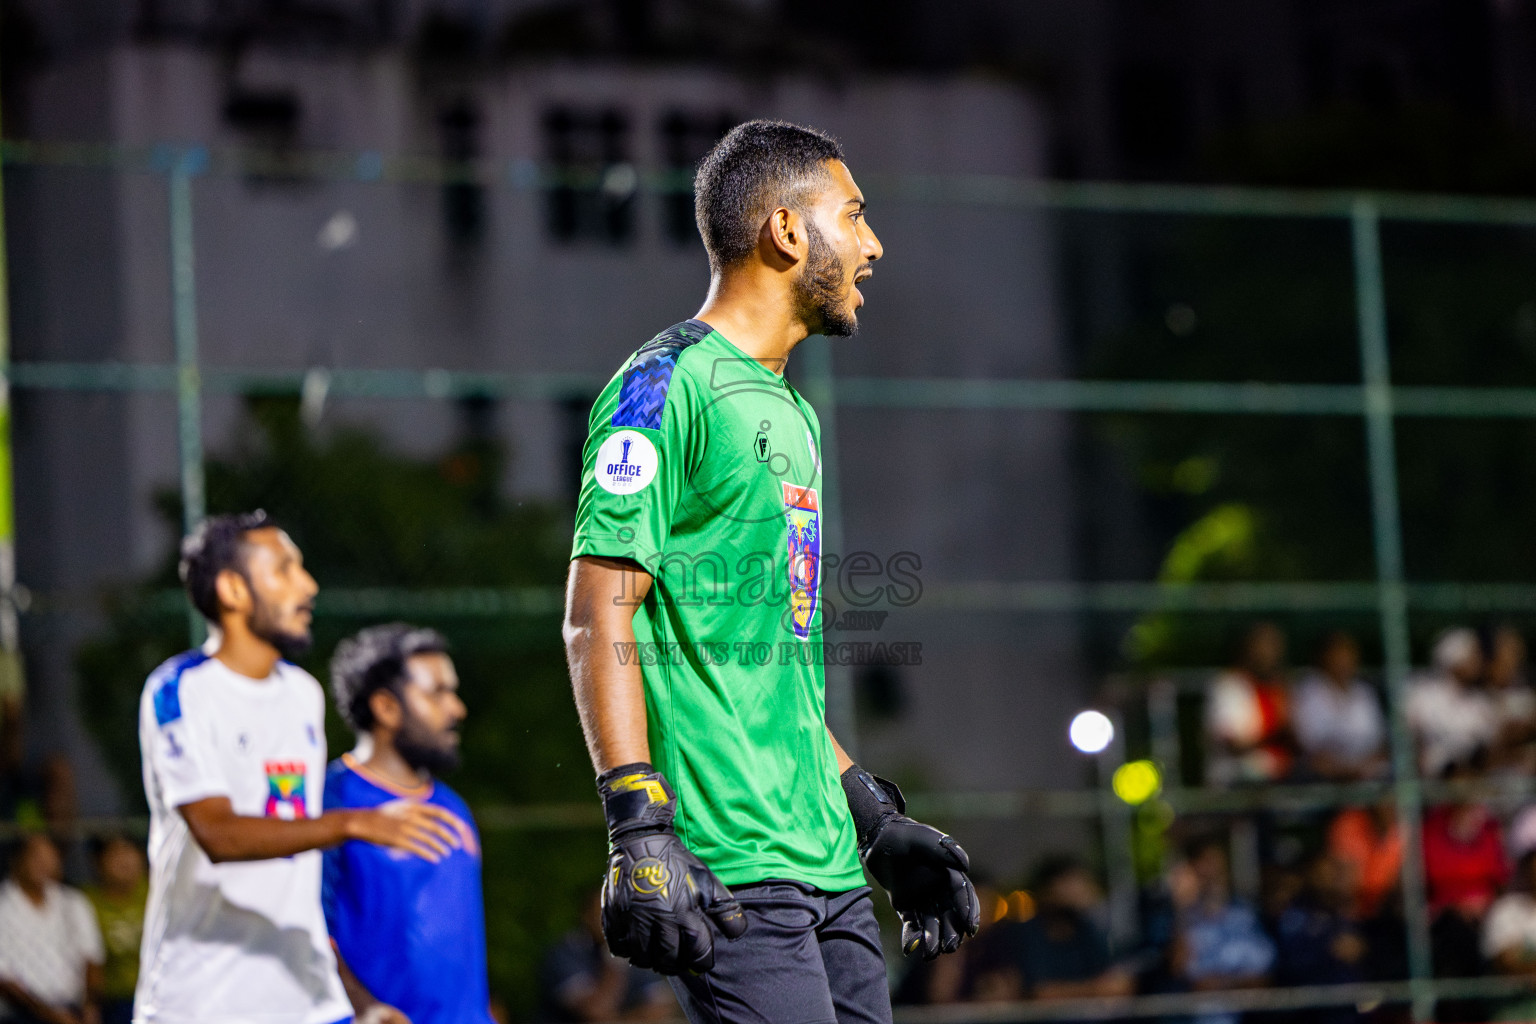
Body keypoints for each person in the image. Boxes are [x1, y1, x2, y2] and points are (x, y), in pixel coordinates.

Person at [562, 120, 979, 1024]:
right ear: (787, 232)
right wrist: (637, 822)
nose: (873, 244)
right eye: (855, 216)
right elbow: (600, 612)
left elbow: (767, 669)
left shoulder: (795, 412)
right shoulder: (664, 383)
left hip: (829, 865)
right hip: (736, 865)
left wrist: (869, 814)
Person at [135, 511, 473, 1024]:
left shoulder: (301, 694)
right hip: (203, 1002)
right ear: (232, 589)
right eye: (285, 570)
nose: (308, 585)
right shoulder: (179, 691)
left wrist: (363, 1006)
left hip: (307, 1002)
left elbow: (295, 861)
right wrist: (357, 823)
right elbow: (217, 834)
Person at [323, 623, 496, 1024]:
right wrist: (364, 1007)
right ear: (386, 707)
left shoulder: (453, 808)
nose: (457, 708)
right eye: (438, 692)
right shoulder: (328, 803)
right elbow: (301, 932)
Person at [979, 857, 1133, 1001]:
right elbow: (1041, 993)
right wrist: (1095, 990)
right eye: (1071, 883)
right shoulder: (1023, 934)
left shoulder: (1088, 930)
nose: (1081, 892)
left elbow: (1118, 985)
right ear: (1048, 890)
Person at [0, 833, 104, 1024]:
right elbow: (4, 979)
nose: (44, 863)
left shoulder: (74, 902)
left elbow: (92, 959)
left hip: (74, 1009)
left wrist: (90, 1007)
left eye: (50, 857)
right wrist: (50, 1015)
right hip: (19, 1014)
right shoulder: (3, 906)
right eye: (36, 857)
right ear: (16, 860)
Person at [537, 890, 675, 1023]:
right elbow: (595, 1011)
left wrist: (621, 1020)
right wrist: (613, 961)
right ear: (586, 917)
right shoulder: (565, 953)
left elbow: (662, 1005)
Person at [1204, 622, 1294, 786]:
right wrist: (1278, 731)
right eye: (1264, 645)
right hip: (1238, 780)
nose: (1270, 653)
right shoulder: (1228, 687)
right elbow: (1233, 745)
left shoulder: (1279, 688)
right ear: (1247, 648)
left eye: (1275, 646)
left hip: (1280, 777)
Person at [1292, 631, 1387, 781]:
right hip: (1324, 774)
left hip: (1366, 771)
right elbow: (1308, 746)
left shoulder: (1364, 692)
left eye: (1348, 653)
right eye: (1337, 654)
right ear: (1323, 657)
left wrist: (1363, 767)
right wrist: (1343, 770)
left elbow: (1379, 742)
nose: (1343, 660)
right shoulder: (1308, 692)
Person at [1406, 627, 1495, 778]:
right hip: (1431, 779)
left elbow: (1489, 749)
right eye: (1471, 655)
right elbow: (1413, 744)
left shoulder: (1481, 702)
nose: (1478, 661)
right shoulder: (1422, 696)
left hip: (1472, 778)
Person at [82, 837, 148, 1024]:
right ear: (98, 862)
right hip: (112, 1003)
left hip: (161, 994)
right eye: (115, 854)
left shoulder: (157, 891)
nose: (124, 860)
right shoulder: (86, 902)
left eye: (129, 851)